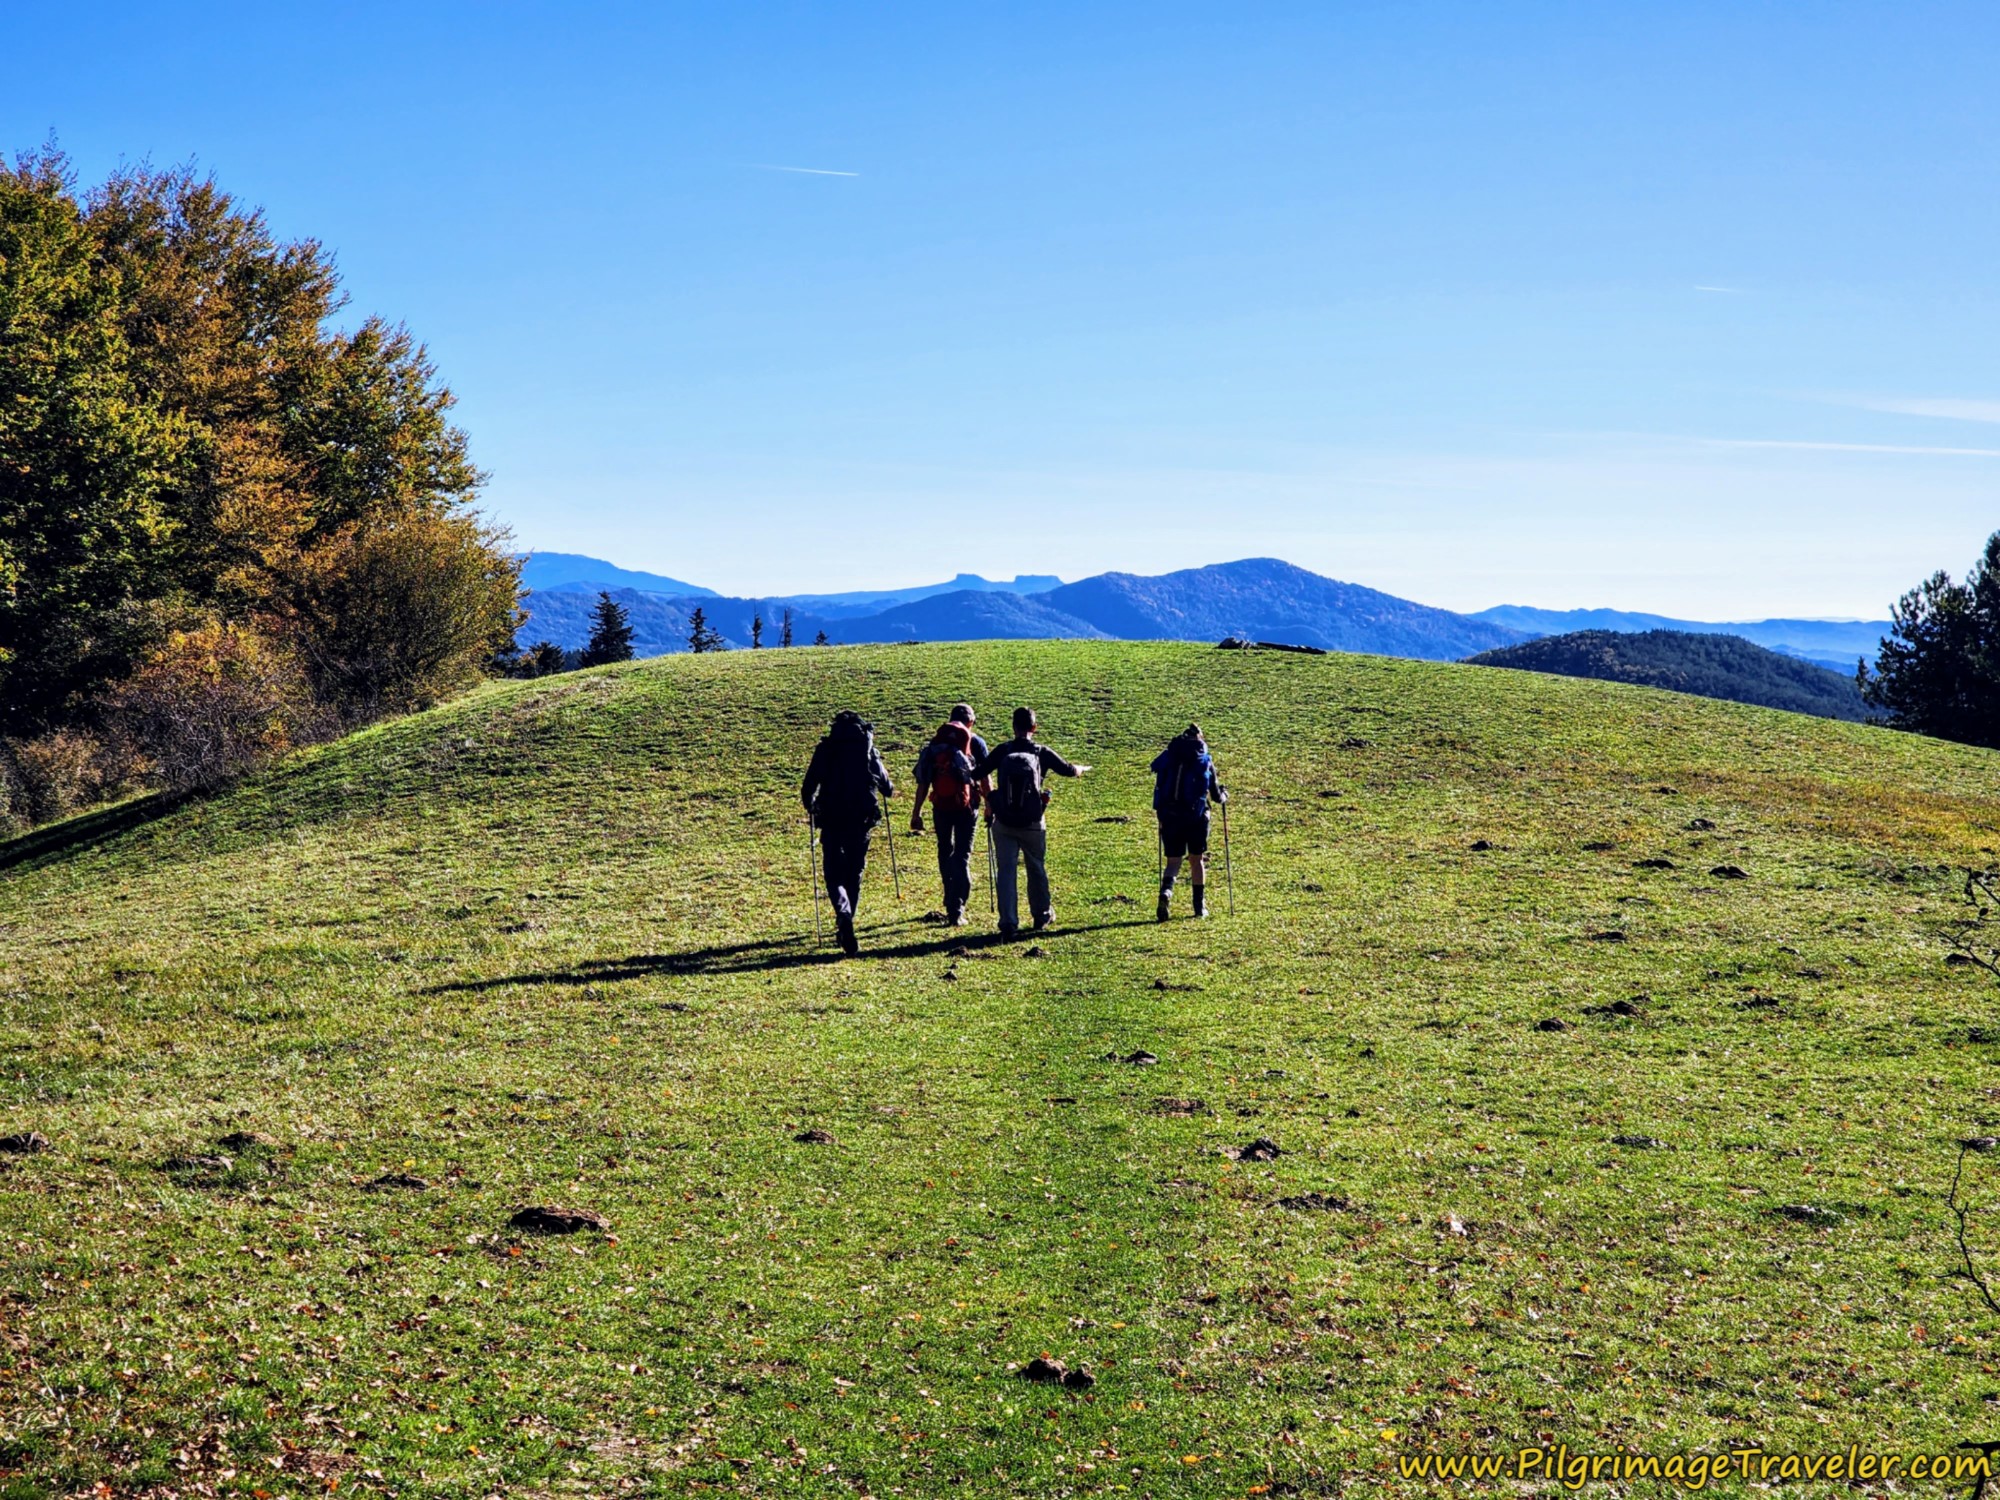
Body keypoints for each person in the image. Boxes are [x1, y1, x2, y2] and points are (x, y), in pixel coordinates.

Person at [973, 707, 1089, 935]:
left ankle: (1008, 922)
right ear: (1034, 728)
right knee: (1035, 866)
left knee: (1006, 870)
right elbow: (1067, 770)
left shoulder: (1003, 750)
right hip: (1033, 822)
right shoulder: (1041, 752)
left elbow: (977, 773)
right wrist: (1080, 769)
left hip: (1004, 822)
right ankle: (1041, 915)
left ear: (1013, 726)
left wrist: (990, 796)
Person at [800, 710, 894, 955]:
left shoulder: (826, 749)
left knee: (833, 874)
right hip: (861, 818)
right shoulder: (867, 749)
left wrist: (811, 805)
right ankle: (848, 916)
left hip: (831, 818)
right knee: (855, 870)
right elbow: (887, 787)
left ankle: (843, 914)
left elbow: (808, 786)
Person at [910, 714, 982, 925]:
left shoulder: (935, 747)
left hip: (940, 806)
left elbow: (923, 782)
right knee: (962, 855)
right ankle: (957, 906)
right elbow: (983, 775)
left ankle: (949, 896)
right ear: (971, 722)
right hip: (966, 807)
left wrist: (916, 813)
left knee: (944, 850)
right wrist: (991, 804)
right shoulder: (975, 742)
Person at [1151, 723, 1226, 921]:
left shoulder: (1169, 757)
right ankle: (1199, 907)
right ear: (1200, 738)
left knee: (1173, 862)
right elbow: (1216, 795)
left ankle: (1166, 893)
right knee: (1196, 859)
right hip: (1196, 817)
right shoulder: (1204, 759)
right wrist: (1224, 796)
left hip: (1169, 816)